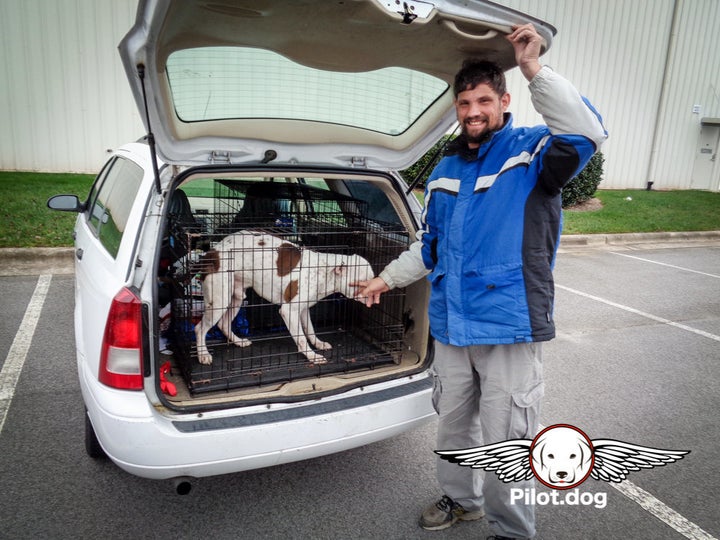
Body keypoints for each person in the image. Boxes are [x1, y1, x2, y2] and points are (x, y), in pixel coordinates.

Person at [353, 24, 607, 540]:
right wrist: (384, 279)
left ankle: (512, 531)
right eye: (465, 102)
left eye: (483, 100)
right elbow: (430, 246)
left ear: (504, 100)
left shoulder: (533, 152)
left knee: (507, 440)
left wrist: (534, 68)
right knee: (452, 424)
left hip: (508, 326)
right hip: (452, 326)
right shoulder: (445, 168)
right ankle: (461, 500)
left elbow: (587, 132)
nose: (473, 111)